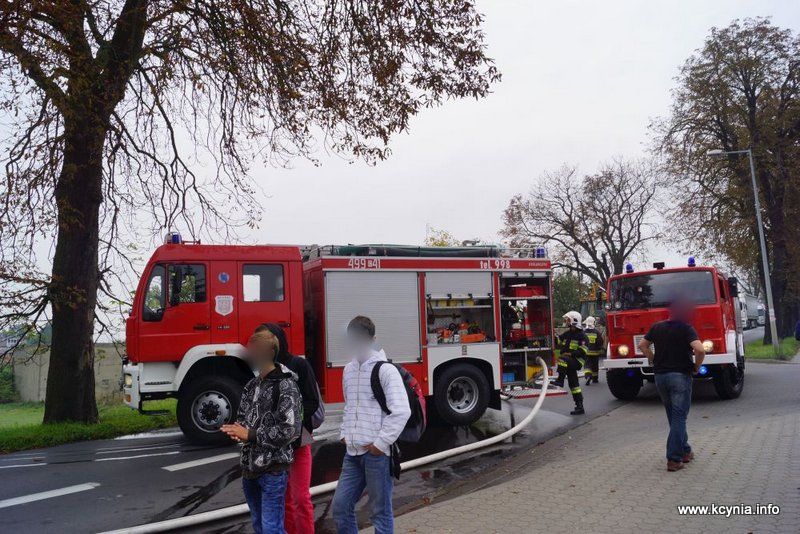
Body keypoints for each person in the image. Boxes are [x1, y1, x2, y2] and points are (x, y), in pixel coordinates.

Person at [332, 316, 411, 534]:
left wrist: (380, 444)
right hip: (352, 453)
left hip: (377, 455)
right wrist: (344, 433)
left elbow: (402, 410)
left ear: (372, 339)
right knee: (340, 507)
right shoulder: (348, 370)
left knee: (380, 511)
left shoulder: (386, 370)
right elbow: (350, 405)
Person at [221, 330, 302, 534]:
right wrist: (236, 430)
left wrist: (250, 435)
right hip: (250, 469)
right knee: (259, 524)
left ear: (269, 352)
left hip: (273, 470)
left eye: (253, 349)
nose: (249, 353)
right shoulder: (251, 385)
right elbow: (243, 418)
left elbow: (290, 430)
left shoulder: (287, 385)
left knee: (271, 528)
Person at [256, 323, 321, 534]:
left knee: (300, 497)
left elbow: (312, 401)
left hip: (297, 443)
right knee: (283, 499)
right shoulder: (262, 370)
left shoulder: (298, 365)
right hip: (273, 447)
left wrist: (290, 423)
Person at [638, 297, 706, 472]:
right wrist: (696, 367)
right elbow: (699, 349)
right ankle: (674, 459)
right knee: (679, 416)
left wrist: (652, 358)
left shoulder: (657, 327)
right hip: (680, 376)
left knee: (674, 416)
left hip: (660, 377)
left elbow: (642, 345)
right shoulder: (686, 328)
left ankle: (685, 450)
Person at [551, 311, 589, 415]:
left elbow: (583, 350)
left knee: (563, 359)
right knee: (574, 385)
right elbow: (559, 341)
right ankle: (579, 406)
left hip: (577, 361)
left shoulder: (582, 336)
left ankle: (560, 380)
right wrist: (553, 334)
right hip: (569, 361)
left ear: (574, 321)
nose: (566, 321)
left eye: (568, 319)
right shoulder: (568, 333)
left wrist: (570, 354)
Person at [583, 316, 604, 385]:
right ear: (593, 323)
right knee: (595, 366)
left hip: (586, 353)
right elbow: (600, 342)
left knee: (587, 365)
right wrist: (600, 348)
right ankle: (595, 379)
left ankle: (588, 376)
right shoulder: (596, 332)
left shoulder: (584, 332)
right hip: (595, 353)